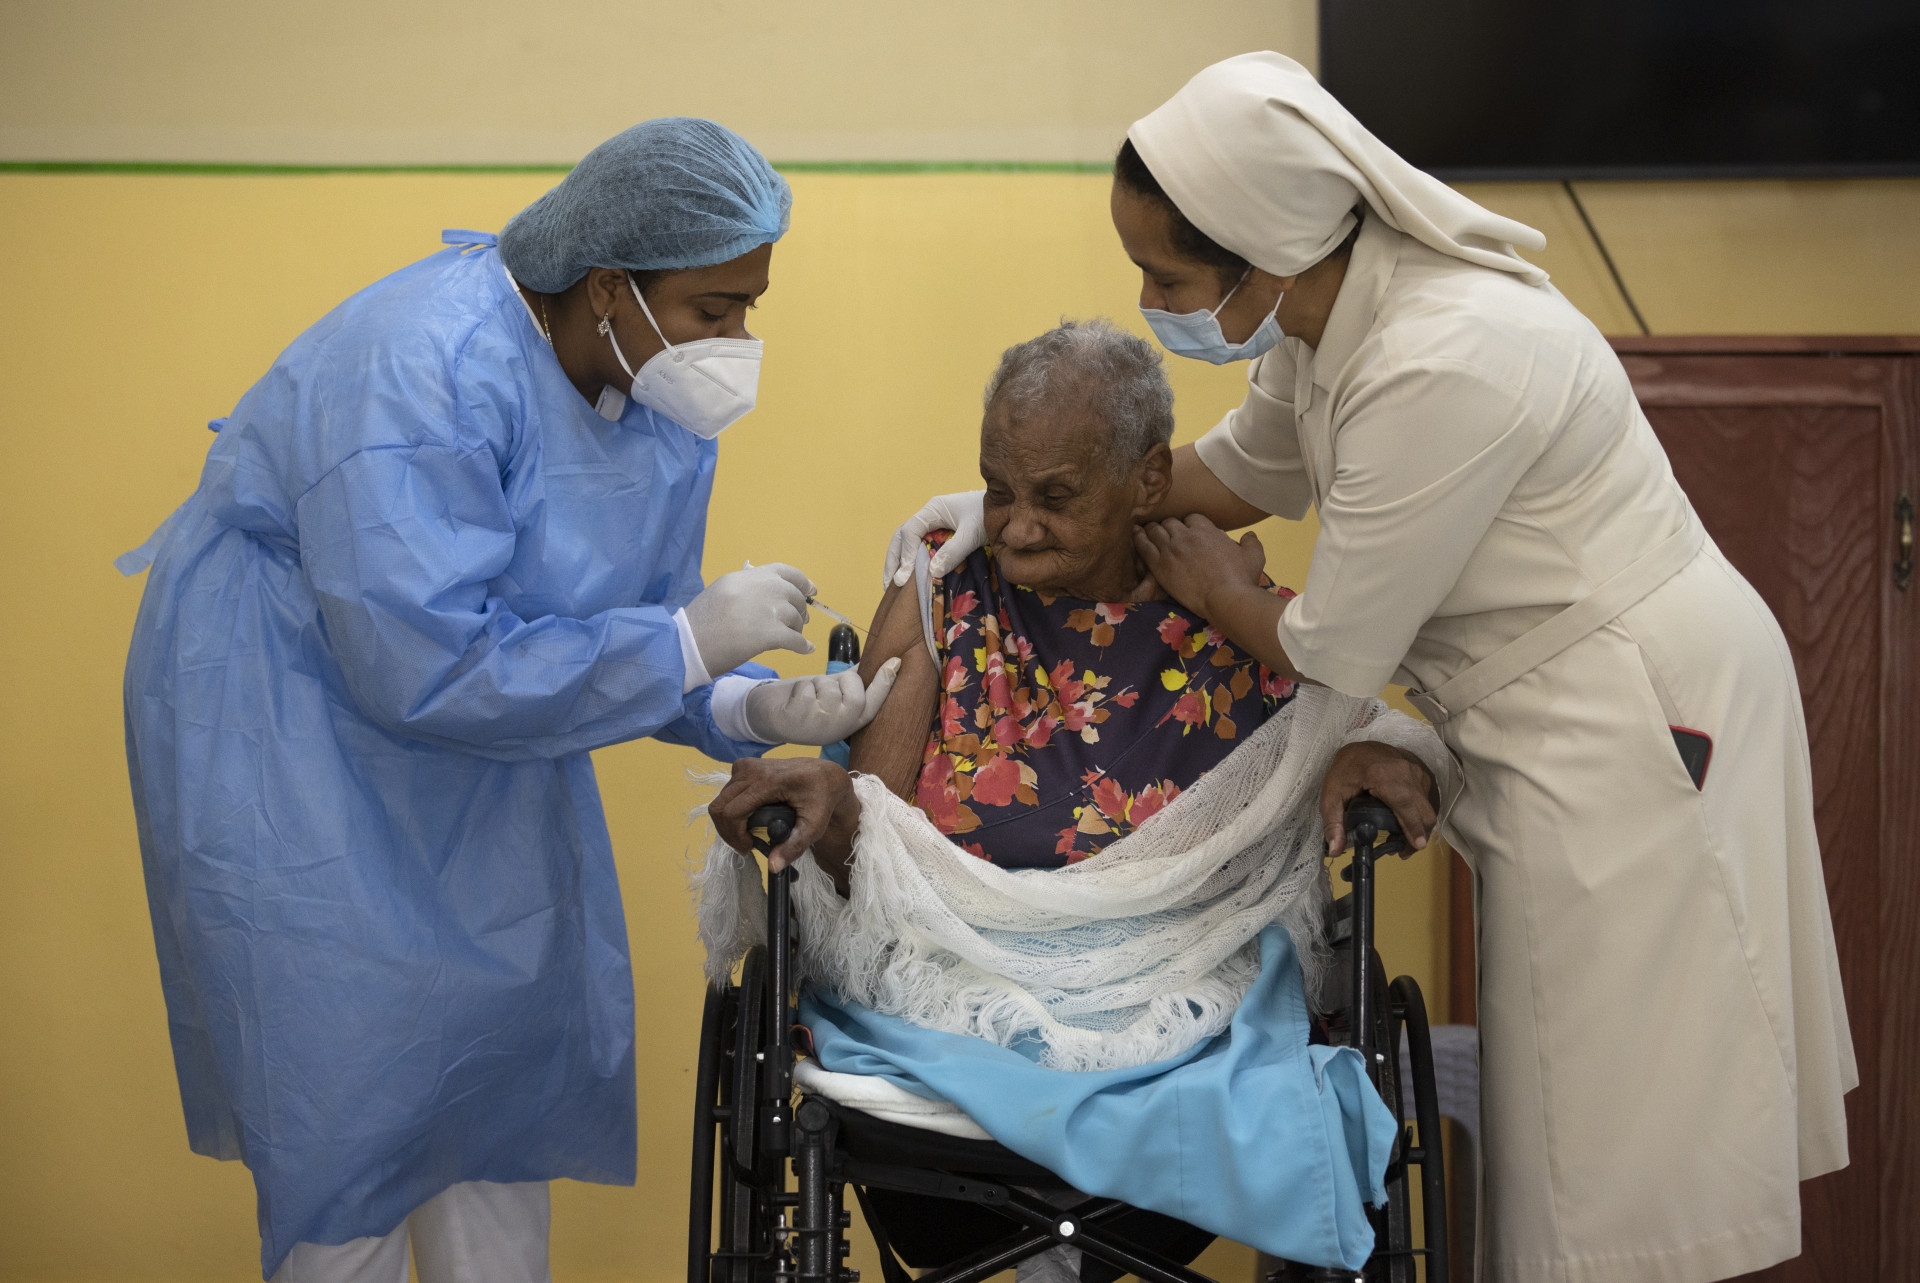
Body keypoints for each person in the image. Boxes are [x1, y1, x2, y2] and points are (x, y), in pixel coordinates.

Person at [884, 54, 1856, 1283]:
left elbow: (1331, 645)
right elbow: (1237, 471)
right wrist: (1024, 504)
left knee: (1623, 1137)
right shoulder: (1323, 315)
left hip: (1635, 715)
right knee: (1572, 1121)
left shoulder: (1443, 356)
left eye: (1168, 277)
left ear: (1264, 255)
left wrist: (1220, 592)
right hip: (1552, 708)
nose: (1147, 299)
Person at [119, 118, 897, 1282]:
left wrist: (746, 706)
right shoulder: (419, 370)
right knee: (348, 1097)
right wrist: (688, 640)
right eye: (715, 308)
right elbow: (425, 665)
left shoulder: (653, 394)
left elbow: (614, 632)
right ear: (608, 287)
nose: (738, 340)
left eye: (750, 306)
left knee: (491, 1068)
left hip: (483, 730)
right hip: (291, 724)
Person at [708, 319, 1450, 1273]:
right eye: (998, 490)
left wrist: (1381, 754)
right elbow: (869, 835)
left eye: (1054, 497)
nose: (1016, 526)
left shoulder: (1222, 595)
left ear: (1148, 478)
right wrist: (826, 790)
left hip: (1182, 987)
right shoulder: (945, 583)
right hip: (954, 985)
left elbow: (1348, 714)